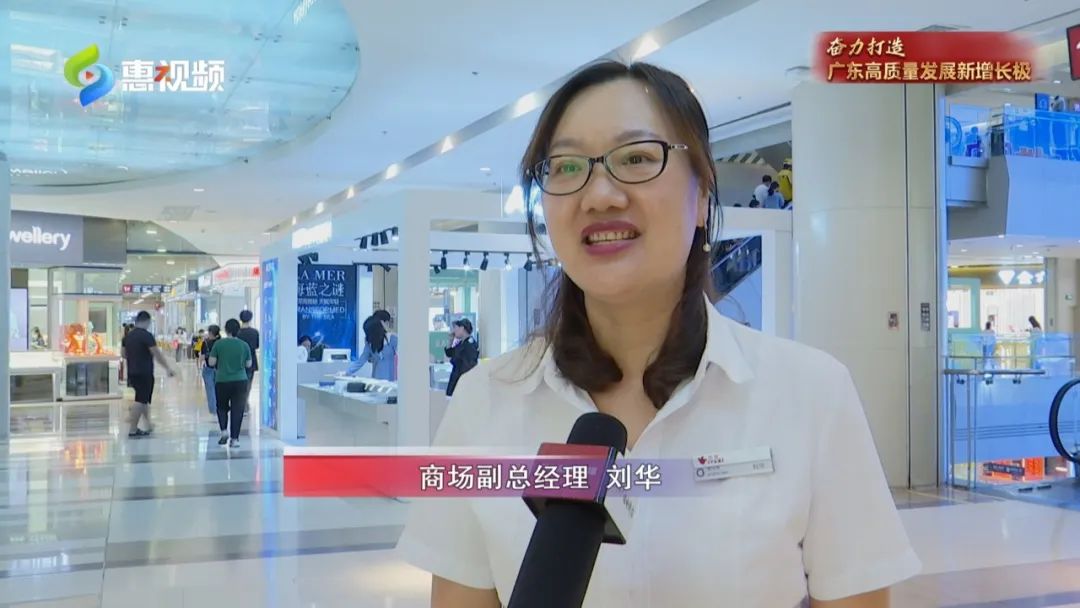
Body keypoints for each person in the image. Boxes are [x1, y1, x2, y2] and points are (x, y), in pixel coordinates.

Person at [397, 61, 919, 607]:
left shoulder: (811, 393)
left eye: (637, 158)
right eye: (567, 166)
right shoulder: (484, 401)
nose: (600, 195)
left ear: (703, 196)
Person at [123, 311, 175, 438]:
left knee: (144, 399)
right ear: (147, 321)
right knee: (140, 401)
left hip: (132, 372)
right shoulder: (147, 336)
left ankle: (148, 424)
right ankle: (133, 429)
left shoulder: (127, 336)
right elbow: (157, 354)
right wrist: (167, 368)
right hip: (144, 372)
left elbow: (123, 354)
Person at [209, 319, 252, 448]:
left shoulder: (219, 344)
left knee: (221, 407)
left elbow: (211, 362)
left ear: (226, 329)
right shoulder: (244, 345)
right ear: (238, 330)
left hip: (222, 380)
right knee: (237, 409)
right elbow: (248, 364)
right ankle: (235, 439)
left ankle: (224, 431)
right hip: (240, 381)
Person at [349, 310, 398, 380]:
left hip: (392, 380)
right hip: (376, 379)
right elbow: (361, 360)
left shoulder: (392, 339)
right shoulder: (369, 342)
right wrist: (347, 372)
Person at [444, 318, 479, 397]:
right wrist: (451, 340)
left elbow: (468, 367)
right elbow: (449, 353)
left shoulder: (470, 345)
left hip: (463, 384)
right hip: (456, 380)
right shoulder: (461, 343)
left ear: (462, 328)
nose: (454, 331)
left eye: (455, 328)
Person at [236, 310, 260, 405]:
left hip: (238, 360)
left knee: (239, 381)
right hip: (251, 359)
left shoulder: (237, 332)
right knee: (249, 381)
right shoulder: (254, 332)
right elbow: (257, 345)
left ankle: (240, 400)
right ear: (250, 319)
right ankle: (245, 401)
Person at [201, 325, 221, 415]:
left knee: (210, 390)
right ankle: (220, 407)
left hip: (208, 368)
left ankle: (213, 410)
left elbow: (202, 357)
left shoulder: (205, 342)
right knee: (219, 390)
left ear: (210, 333)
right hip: (219, 368)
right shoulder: (221, 342)